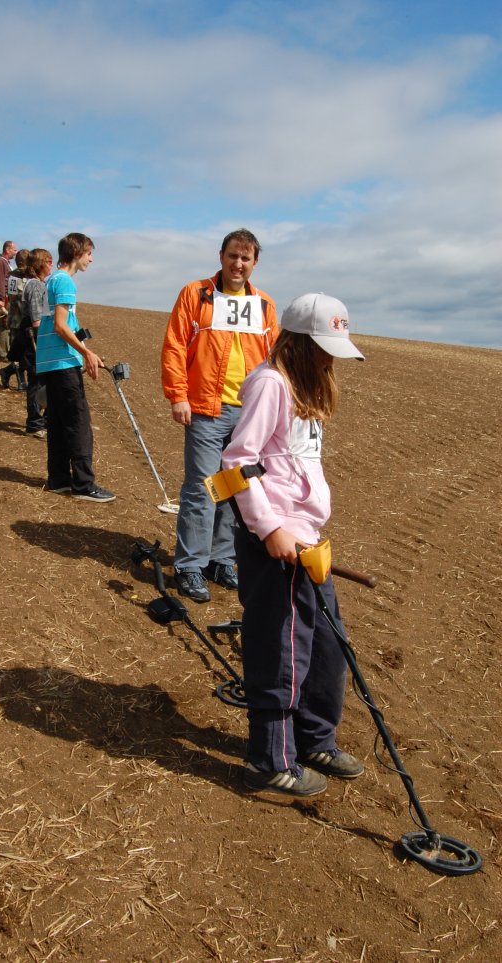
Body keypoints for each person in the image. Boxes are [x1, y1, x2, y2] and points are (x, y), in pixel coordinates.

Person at [221, 292, 365, 796]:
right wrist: (270, 528)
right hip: (275, 542)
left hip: (308, 540)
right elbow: (236, 464)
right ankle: (271, 757)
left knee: (328, 644)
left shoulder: (306, 388)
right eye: (324, 347)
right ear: (299, 343)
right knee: (282, 648)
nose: (330, 359)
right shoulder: (270, 384)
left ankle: (315, 738)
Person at [161, 228, 279, 603]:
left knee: (235, 487)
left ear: (254, 263)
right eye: (232, 256)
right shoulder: (195, 294)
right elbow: (175, 345)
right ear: (221, 256)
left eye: (245, 258)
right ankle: (190, 565)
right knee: (202, 488)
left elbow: (275, 358)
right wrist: (178, 396)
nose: (238, 264)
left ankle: (221, 559)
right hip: (206, 410)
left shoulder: (264, 305)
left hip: (249, 415)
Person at [35, 233, 115, 501]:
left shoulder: (52, 279)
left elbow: (62, 324)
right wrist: (85, 353)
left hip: (49, 361)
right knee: (79, 422)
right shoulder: (66, 281)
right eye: (89, 253)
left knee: (57, 421)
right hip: (62, 361)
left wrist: (89, 352)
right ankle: (84, 485)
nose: (91, 259)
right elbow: (60, 325)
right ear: (78, 252)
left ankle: (58, 479)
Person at [14, 247, 52, 437]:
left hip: (32, 334)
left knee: (40, 380)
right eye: (48, 261)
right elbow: (37, 319)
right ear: (39, 264)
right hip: (34, 337)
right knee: (37, 381)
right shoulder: (36, 286)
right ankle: (35, 424)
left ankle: (42, 421)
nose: (51, 264)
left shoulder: (34, 283)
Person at [0, 249, 30, 390]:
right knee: (20, 352)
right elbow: (21, 299)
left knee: (22, 352)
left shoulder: (12, 276)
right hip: (19, 319)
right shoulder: (20, 277)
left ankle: (6, 372)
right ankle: (20, 380)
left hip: (15, 317)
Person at [0, 240, 18, 361]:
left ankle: (7, 352)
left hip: (9, 297)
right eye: (14, 249)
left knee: (8, 326)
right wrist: (1, 298)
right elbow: (0, 282)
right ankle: (3, 353)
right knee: (4, 325)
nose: (15, 252)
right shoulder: (0, 263)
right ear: (7, 250)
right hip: (5, 298)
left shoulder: (6, 263)